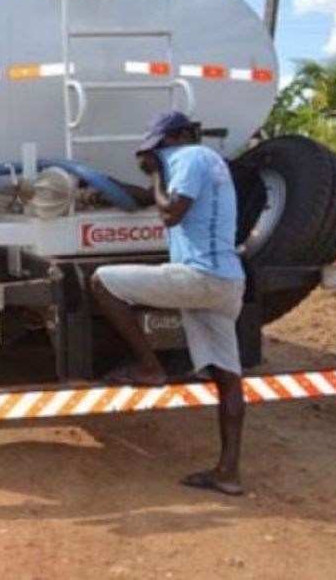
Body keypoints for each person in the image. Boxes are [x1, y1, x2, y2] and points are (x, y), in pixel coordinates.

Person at [90, 110, 248, 496]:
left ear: (176, 138)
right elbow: (156, 199)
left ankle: (149, 367)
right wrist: (107, 187)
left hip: (199, 277)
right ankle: (227, 472)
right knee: (228, 379)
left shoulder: (191, 157)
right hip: (226, 283)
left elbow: (170, 212)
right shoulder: (208, 163)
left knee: (102, 283)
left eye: (158, 147)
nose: (155, 155)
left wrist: (157, 172)